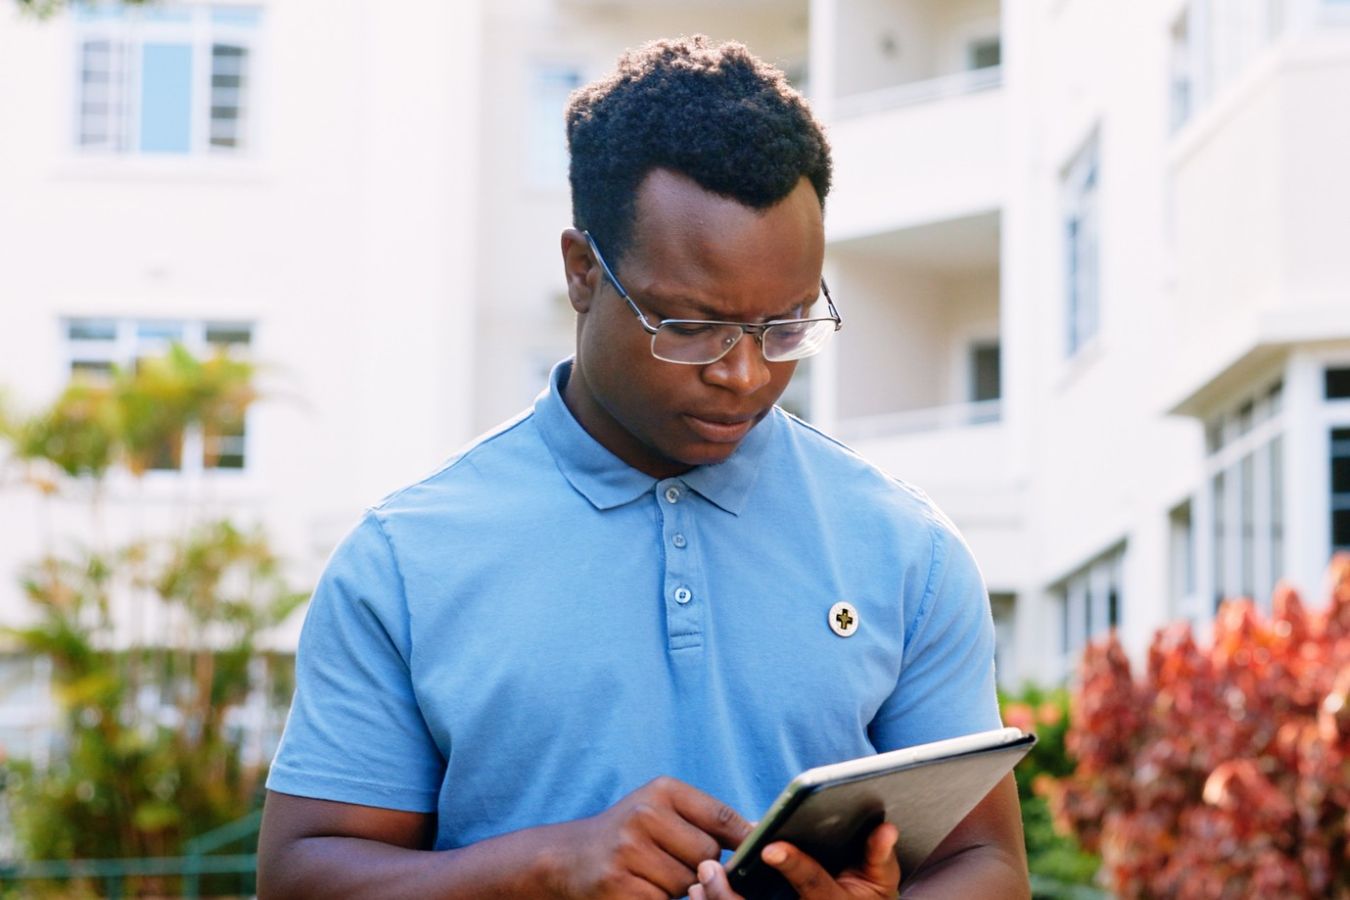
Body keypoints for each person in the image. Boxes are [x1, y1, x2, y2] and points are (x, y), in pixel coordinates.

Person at [257, 35, 1029, 899]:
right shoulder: (404, 562)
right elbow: (301, 876)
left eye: (786, 327)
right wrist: (549, 869)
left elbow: (985, 865)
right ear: (583, 271)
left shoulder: (906, 551)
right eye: (690, 327)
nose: (743, 374)